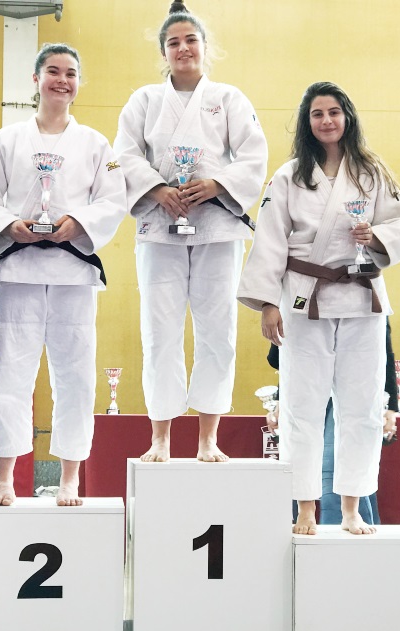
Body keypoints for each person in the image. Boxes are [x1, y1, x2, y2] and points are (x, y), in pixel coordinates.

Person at [238, 81, 400, 535]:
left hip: (361, 296)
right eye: (317, 114)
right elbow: (269, 239)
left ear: (347, 116)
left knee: (363, 407)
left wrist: (377, 237)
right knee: (301, 407)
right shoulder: (288, 176)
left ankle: (351, 508)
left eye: (334, 112)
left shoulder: (373, 172)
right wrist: (267, 303)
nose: (327, 120)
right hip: (303, 298)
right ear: (307, 122)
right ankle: (306, 508)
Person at [0, 43, 127, 506]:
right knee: (11, 374)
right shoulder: (7, 140)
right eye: (53, 71)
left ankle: (71, 476)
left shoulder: (96, 144)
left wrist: (79, 223)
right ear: (35, 80)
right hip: (19, 269)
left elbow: (113, 199)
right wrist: (9, 225)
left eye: (70, 73)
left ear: (78, 83)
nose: (62, 80)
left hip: (73, 272)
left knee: (76, 376)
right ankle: (4, 478)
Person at [113, 2, 268, 463]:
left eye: (190, 40)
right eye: (174, 43)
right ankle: (160, 436)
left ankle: (207, 438)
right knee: (159, 331)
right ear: (164, 52)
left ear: (204, 46)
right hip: (160, 224)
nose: (183, 49)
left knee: (217, 331)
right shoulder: (144, 100)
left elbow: (253, 156)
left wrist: (216, 184)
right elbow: (124, 154)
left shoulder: (229, 98)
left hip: (217, 224)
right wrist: (157, 189)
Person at [265, 320, 399, 525]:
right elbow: (296, 356)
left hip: (355, 382)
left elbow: (381, 346)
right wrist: (282, 398)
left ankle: (347, 518)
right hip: (308, 372)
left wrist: (389, 404)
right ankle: (306, 513)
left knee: (338, 464)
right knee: (306, 452)